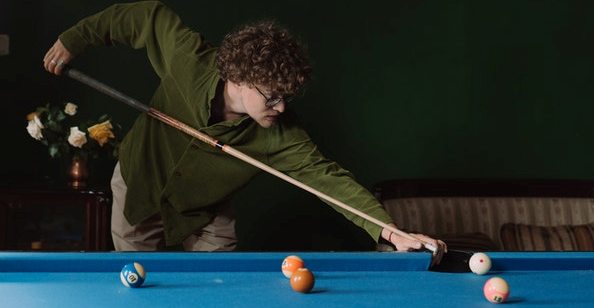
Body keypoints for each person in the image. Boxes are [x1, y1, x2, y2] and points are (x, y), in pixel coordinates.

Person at [43, 1, 447, 262]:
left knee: (220, 291)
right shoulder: (188, 60)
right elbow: (145, 17)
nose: (282, 107)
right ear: (237, 78)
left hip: (207, 211)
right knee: (139, 285)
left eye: (287, 96)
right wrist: (75, 38)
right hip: (140, 186)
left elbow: (329, 180)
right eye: (272, 97)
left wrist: (389, 230)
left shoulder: (281, 135)